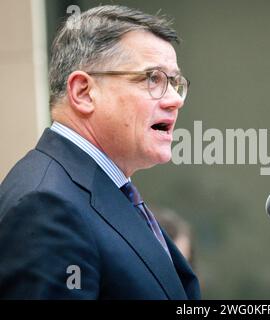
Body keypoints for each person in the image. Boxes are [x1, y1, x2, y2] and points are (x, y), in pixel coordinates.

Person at [0, 5, 200, 299]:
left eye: (175, 83)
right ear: (83, 92)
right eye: (153, 79)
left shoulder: (102, 190)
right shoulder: (47, 204)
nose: (174, 101)